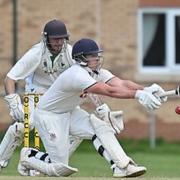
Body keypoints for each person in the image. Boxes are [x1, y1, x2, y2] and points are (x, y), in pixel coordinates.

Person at [18, 38, 167, 177]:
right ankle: (29, 156)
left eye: (97, 54)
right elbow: (109, 91)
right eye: (92, 55)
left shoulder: (97, 72)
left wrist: (146, 89)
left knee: (101, 128)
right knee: (60, 168)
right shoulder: (76, 74)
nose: (97, 58)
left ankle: (122, 167)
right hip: (49, 115)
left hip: (70, 112)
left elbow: (120, 84)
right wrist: (138, 95)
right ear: (81, 58)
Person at [0, 19, 82, 173]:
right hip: (36, 95)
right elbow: (9, 79)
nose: (59, 42)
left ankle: (37, 165)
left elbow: (86, 78)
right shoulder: (36, 53)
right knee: (27, 125)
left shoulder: (71, 53)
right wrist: (13, 103)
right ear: (46, 38)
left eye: (62, 38)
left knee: (78, 130)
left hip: (59, 97)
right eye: (55, 39)